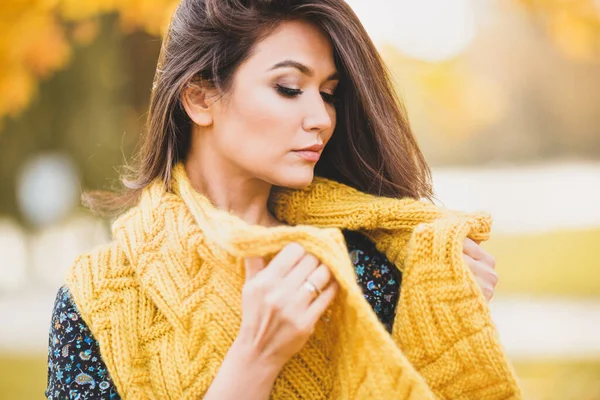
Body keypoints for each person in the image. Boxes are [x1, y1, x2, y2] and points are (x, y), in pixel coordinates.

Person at [46, 0, 519, 399]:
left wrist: (440, 313)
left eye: (329, 93)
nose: (321, 118)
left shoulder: (369, 264)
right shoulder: (95, 300)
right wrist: (256, 356)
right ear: (199, 98)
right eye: (289, 88)